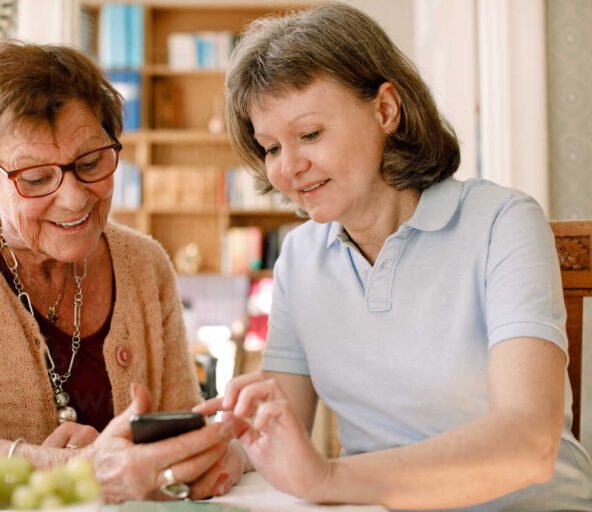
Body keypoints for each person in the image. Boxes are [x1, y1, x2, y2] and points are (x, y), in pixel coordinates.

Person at [196, 3, 592, 511]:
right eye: (270, 147)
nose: (288, 167)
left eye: (310, 134)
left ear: (385, 109)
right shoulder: (300, 256)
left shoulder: (502, 221)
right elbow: (271, 430)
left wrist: (329, 478)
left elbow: (529, 445)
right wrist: (203, 452)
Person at [0, 41, 244, 502]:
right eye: (34, 178)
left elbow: (176, 433)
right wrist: (63, 469)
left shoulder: (146, 264)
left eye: (91, 163)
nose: (74, 199)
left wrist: (211, 454)